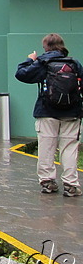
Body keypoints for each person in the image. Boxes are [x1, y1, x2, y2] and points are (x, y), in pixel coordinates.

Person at [15, 33, 83, 196]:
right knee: (69, 148)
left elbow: (21, 74)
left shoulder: (42, 63)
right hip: (72, 113)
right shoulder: (74, 63)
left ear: (45, 47)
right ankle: (71, 185)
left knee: (47, 147)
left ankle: (48, 182)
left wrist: (30, 59)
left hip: (47, 111)